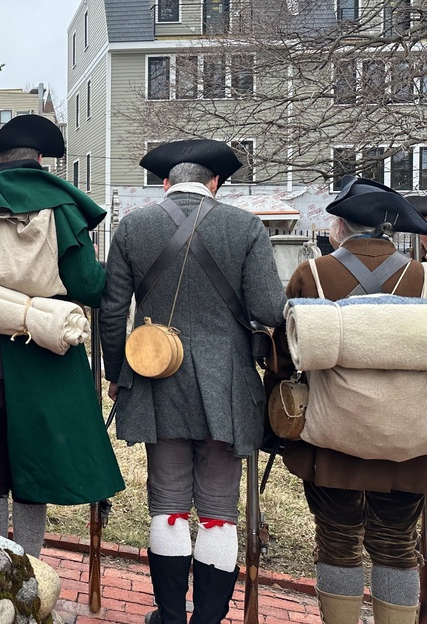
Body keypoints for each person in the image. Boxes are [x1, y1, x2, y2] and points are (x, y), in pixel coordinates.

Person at [99, 139, 287, 624]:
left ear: (166, 183)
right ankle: (208, 618)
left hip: (155, 377)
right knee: (220, 508)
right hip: (228, 385)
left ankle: (169, 615)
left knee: (167, 502)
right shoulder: (245, 226)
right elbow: (269, 309)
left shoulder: (133, 225)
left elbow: (113, 311)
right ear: (215, 184)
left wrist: (119, 373)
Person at [0, 116, 123, 557]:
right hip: (43, 353)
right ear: (40, 159)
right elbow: (88, 285)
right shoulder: (63, 207)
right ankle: (29, 566)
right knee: (33, 463)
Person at [270, 178, 427, 624]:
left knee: (337, 540)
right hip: (408, 442)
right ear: (390, 229)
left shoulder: (312, 274)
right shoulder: (423, 278)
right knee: (398, 545)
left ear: (339, 226)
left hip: (330, 434)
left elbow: (285, 360)